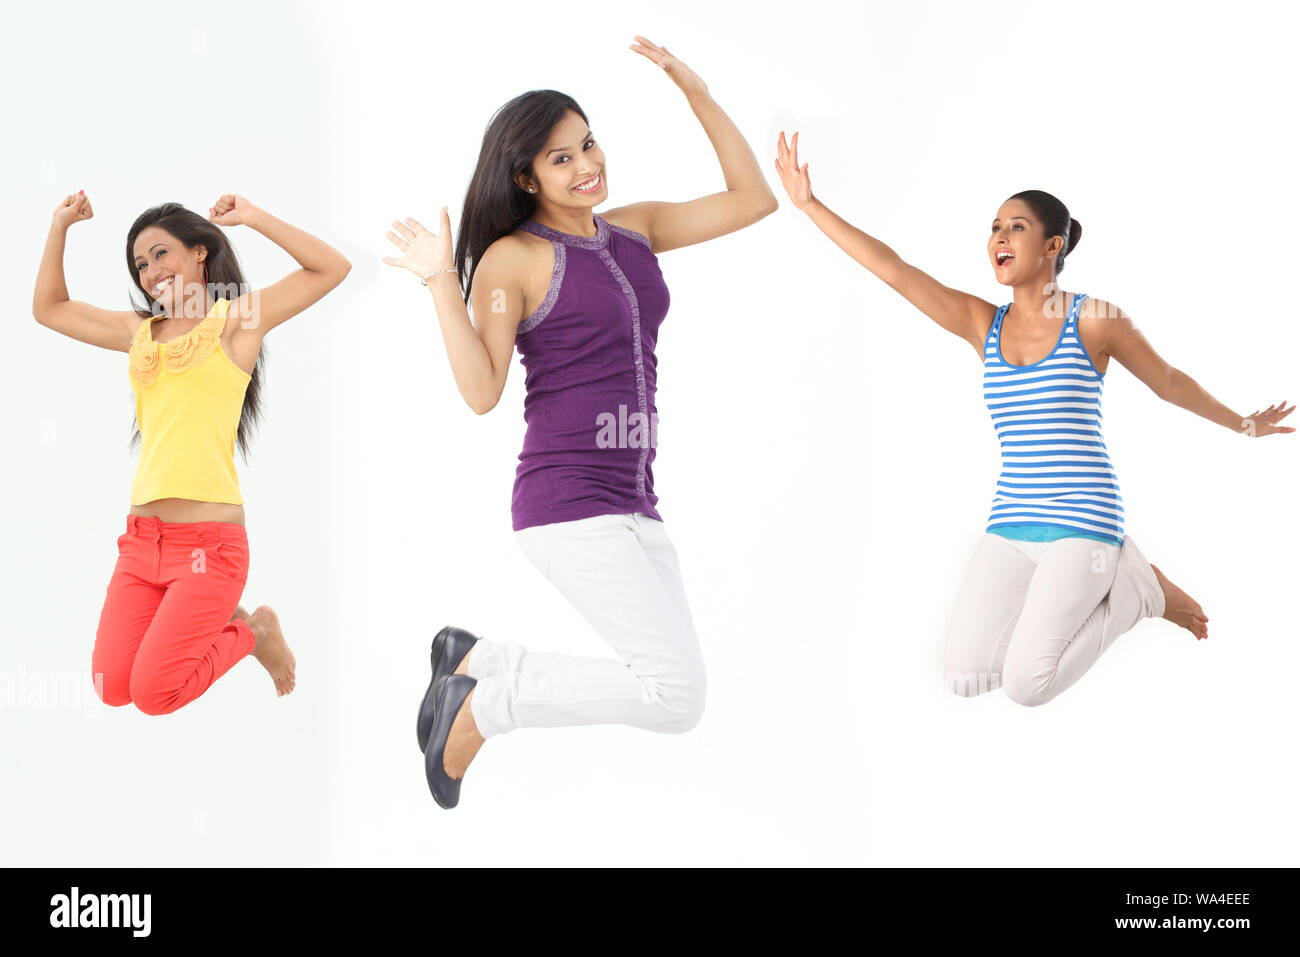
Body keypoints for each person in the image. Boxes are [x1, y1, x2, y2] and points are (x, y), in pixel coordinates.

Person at [384, 36, 778, 807]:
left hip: (636, 503)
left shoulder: (631, 230)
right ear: (525, 176)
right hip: (567, 502)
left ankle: (480, 660)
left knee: (676, 688)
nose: (586, 164)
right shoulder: (512, 259)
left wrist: (696, 92)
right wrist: (439, 281)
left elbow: (751, 200)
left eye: (588, 142)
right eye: (560, 159)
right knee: (676, 693)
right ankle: (485, 703)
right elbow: (480, 389)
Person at [773, 131, 1294, 706]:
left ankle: (1138, 587)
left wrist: (1243, 423)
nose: (999, 237)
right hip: (1013, 517)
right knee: (964, 674)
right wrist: (810, 205)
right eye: (995, 227)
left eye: (1015, 227)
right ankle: (1117, 589)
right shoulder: (982, 323)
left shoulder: (1093, 320)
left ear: (1052, 246)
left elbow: (1168, 382)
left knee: (1028, 684)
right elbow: (894, 270)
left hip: (1084, 520)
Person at [33, 191, 351, 714]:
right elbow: (49, 309)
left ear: (199, 252)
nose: (150, 270)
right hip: (142, 544)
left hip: (211, 546)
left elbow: (331, 268)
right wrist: (60, 226)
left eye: (161, 253)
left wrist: (252, 217)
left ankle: (254, 632)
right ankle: (231, 619)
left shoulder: (236, 323)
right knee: (112, 688)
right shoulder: (138, 332)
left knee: (155, 695)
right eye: (140, 263)